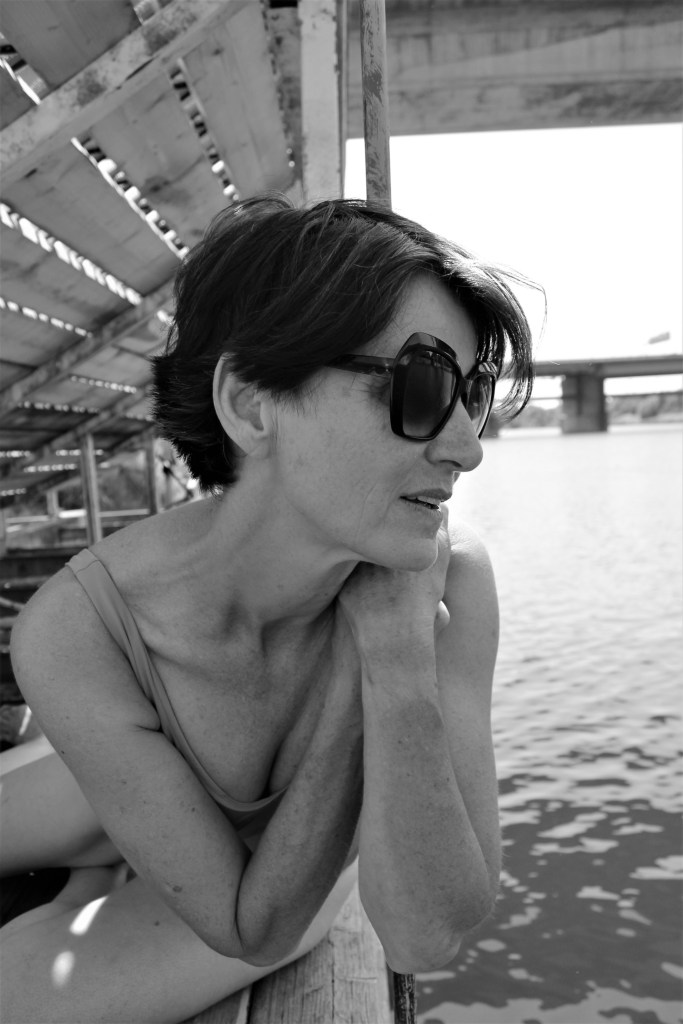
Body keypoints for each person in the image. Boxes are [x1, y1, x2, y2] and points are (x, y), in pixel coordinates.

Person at [0, 196, 536, 1023]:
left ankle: (96, 868)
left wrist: (394, 657)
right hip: (98, 788)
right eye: (423, 386)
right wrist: (365, 662)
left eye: (472, 393)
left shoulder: (447, 576)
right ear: (252, 403)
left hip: (302, 882)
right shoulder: (83, 628)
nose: (467, 447)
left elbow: (413, 934)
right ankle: (101, 855)